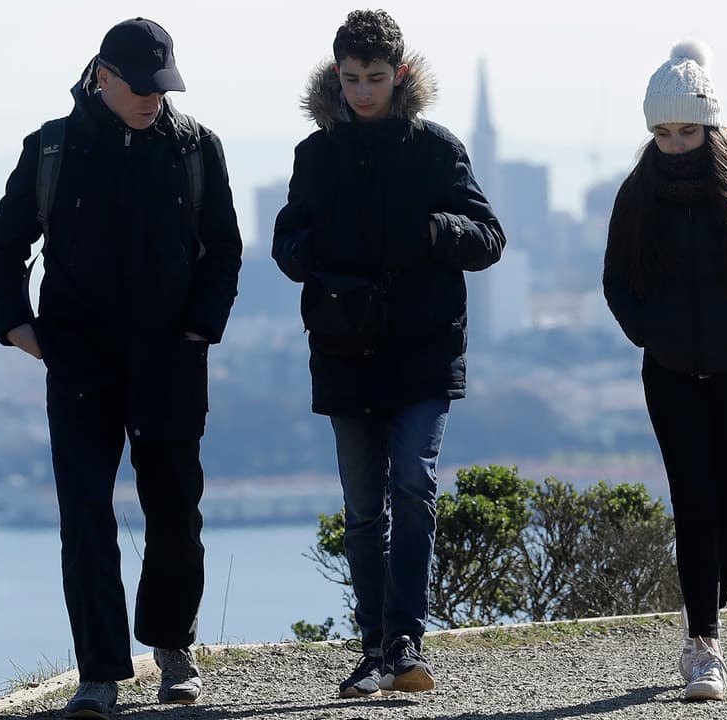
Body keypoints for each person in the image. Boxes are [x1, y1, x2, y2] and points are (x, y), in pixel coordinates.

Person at [0, 17, 243, 719]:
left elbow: (223, 248)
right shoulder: (52, 148)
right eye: (142, 87)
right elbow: (1, 248)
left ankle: (173, 651)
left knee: (175, 512)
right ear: (103, 77)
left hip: (170, 361)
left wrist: (199, 329)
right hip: (80, 365)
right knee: (86, 516)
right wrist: (18, 328)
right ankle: (98, 674)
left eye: (164, 87)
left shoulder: (195, 148)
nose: (155, 99)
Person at [272, 9, 505, 699]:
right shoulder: (315, 154)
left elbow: (489, 238)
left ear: (399, 75)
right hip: (345, 353)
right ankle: (374, 647)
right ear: (336, 74)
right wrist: (317, 250)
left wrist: (436, 230)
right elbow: (286, 244)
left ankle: (405, 642)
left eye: (375, 78)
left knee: (413, 484)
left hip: (423, 354)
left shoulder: (436, 149)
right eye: (351, 79)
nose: (363, 92)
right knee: (364, 509)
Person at [603, 41, 727, 702]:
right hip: (669, 375)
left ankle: (701, 618)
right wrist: (651, 335)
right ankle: (704, 645)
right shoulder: (637, 194)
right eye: (663, 133)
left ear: (710, 125)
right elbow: (615, 282)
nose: (675, 144)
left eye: (687, 130)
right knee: (693, 504)